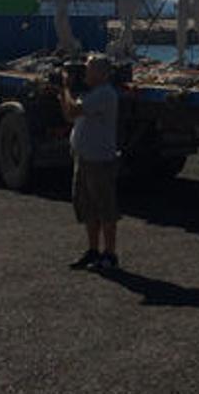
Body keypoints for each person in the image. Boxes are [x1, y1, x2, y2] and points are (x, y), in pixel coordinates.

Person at [61, 55, 122, 271]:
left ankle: (110, 253)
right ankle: (93, 250)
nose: (84, 73)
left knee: (105, 208)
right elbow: (70, 115)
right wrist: (64, 92)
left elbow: (74, 110)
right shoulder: (93, 94)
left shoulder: (104, 94)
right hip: (85, 158)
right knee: (88, 208)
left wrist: (66, 87)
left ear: (100, 73)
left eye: (88, 69)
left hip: (99, 159)